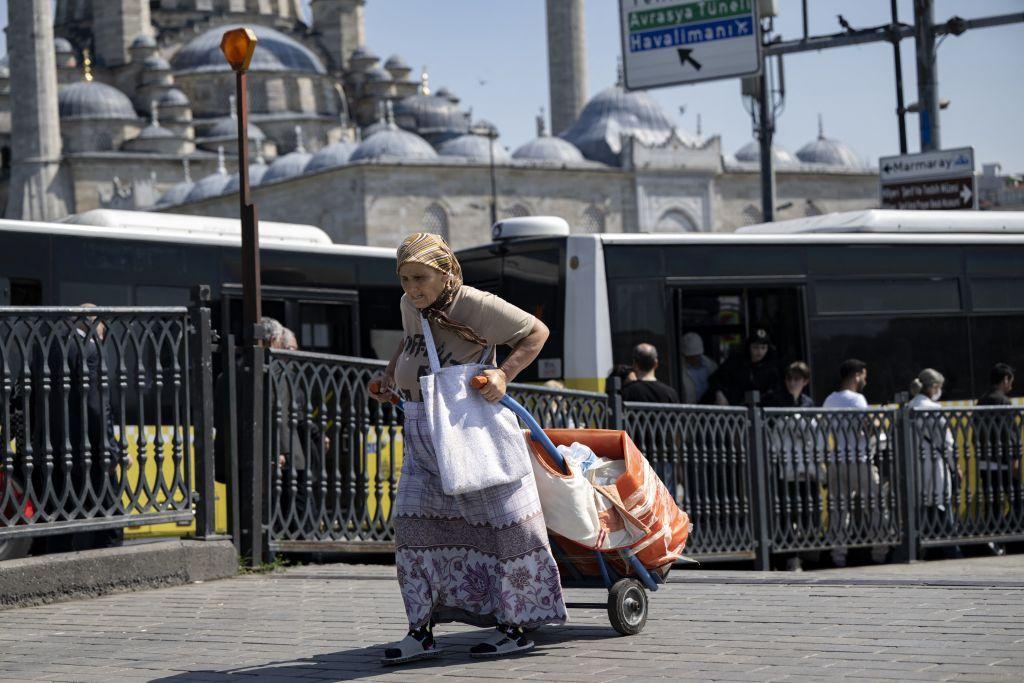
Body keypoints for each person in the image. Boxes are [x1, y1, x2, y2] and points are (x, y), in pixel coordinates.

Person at [369, 232, 566, 664]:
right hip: (422, 428)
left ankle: (516, 626)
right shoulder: (411, 306)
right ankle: (420, 632)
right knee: (412, 528)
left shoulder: (475, 304)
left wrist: (503, 375)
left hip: (468, 431)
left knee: (505, 526)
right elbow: (408, 343)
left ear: (444, 271)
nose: (411, 288)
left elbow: (537, 333)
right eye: (404, 279)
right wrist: (390, 379)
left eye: (420, 277)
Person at [33, 305, 125, 552]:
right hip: (89, 453)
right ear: (96, 326)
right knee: (110, 523)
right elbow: (96, 406)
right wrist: (110, 449)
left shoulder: (51, 348)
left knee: (61, 523)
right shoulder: (90, 349)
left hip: (55, 450)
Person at [822, 359, 886, 567]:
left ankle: (838, 556)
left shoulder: (829, 400)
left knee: (839, 510)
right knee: (875, 506)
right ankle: (880, 553)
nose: (865, 380)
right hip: (859, 460)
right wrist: (877, 421)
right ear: (857, 375)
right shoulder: (858, 400)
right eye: (864, 375)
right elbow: (866, 429)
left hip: (836, 461)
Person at [764, 362, 821, 570]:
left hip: (805, 466)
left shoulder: (808, 402)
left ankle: (807, 553)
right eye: (790, 378)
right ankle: (788, 555)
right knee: (786, 511)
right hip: (784, 466)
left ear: (805, 381)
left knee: (807, 509)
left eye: (797, 379)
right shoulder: (776, 400)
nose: (792, 383)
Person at [908, 369, 962, 558]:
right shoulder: (935, 409)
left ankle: (923, 550)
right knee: (942, 508)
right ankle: (952, 552)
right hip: (935, 465)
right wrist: (956, 467)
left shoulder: (908, 408)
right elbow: (947, 443)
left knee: (923, 511)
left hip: (915, 467)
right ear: (933, 388)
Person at [975, 363, 1019, 556]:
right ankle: (1011, 537)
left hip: (985, 461)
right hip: (1002, 461)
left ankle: (993, 540)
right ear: (1005, 380)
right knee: (1017, 499)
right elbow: (1010, 434)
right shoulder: (1003, 401)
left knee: (991, 502)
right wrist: (1015, 457)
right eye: (1010, 381)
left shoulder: (982, 400)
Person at [707, 328, 781, 406]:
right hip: (731, 407)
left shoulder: (771, 367)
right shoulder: (735, 361)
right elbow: (715, 379)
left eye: (763, 348)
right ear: (749, 347)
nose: (760, 352)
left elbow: (775, 392)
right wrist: (719, 393)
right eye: (755, 347)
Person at [679, 332, 717, 404]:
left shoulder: (711, 366)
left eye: (696, 356)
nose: (694, 359)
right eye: (691, 357)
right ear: (684, 355)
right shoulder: (679, 370)